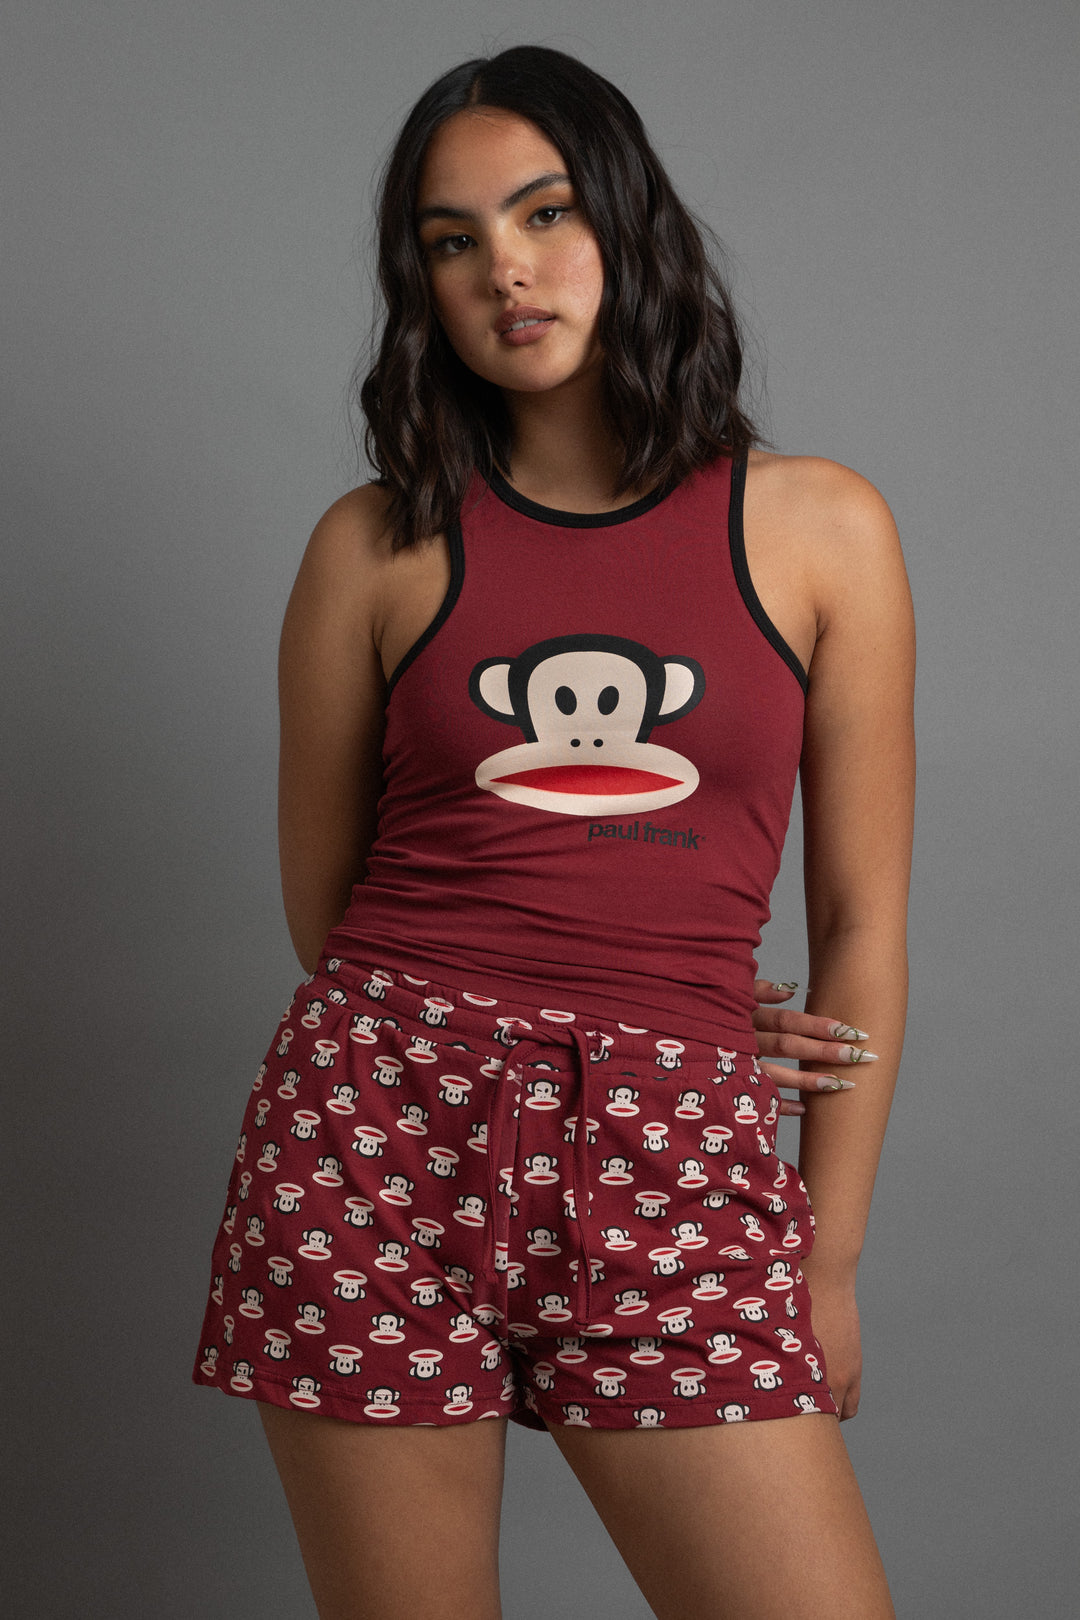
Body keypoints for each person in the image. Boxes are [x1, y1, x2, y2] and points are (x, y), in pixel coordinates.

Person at [191, 44, 914, 1620]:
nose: (504, 269)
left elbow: (863, 922)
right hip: (375, 1144)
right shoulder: (373, 545)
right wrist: (544, 1001)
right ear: (422, 284)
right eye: (452, 240)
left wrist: (826, 1260)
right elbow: (331, 905)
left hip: (681, 1155)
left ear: (631, 223)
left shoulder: (821, 529)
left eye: (546, 212)